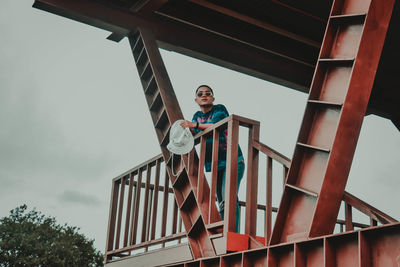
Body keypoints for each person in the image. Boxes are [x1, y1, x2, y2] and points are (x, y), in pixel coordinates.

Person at [180, 85, 245, 232]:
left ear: (213, 98)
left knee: (228, 196)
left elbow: (215, 125)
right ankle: (225, 228)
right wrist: (186, 128)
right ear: (196, 99)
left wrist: (194, 125)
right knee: (221, 198)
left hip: (233, 160)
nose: (204, 95)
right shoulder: (197, 115)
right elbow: (194, 132)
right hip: (216, 164)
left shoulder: (220, 109)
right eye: (200, 94)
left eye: (208, 93)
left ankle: (231, 231)